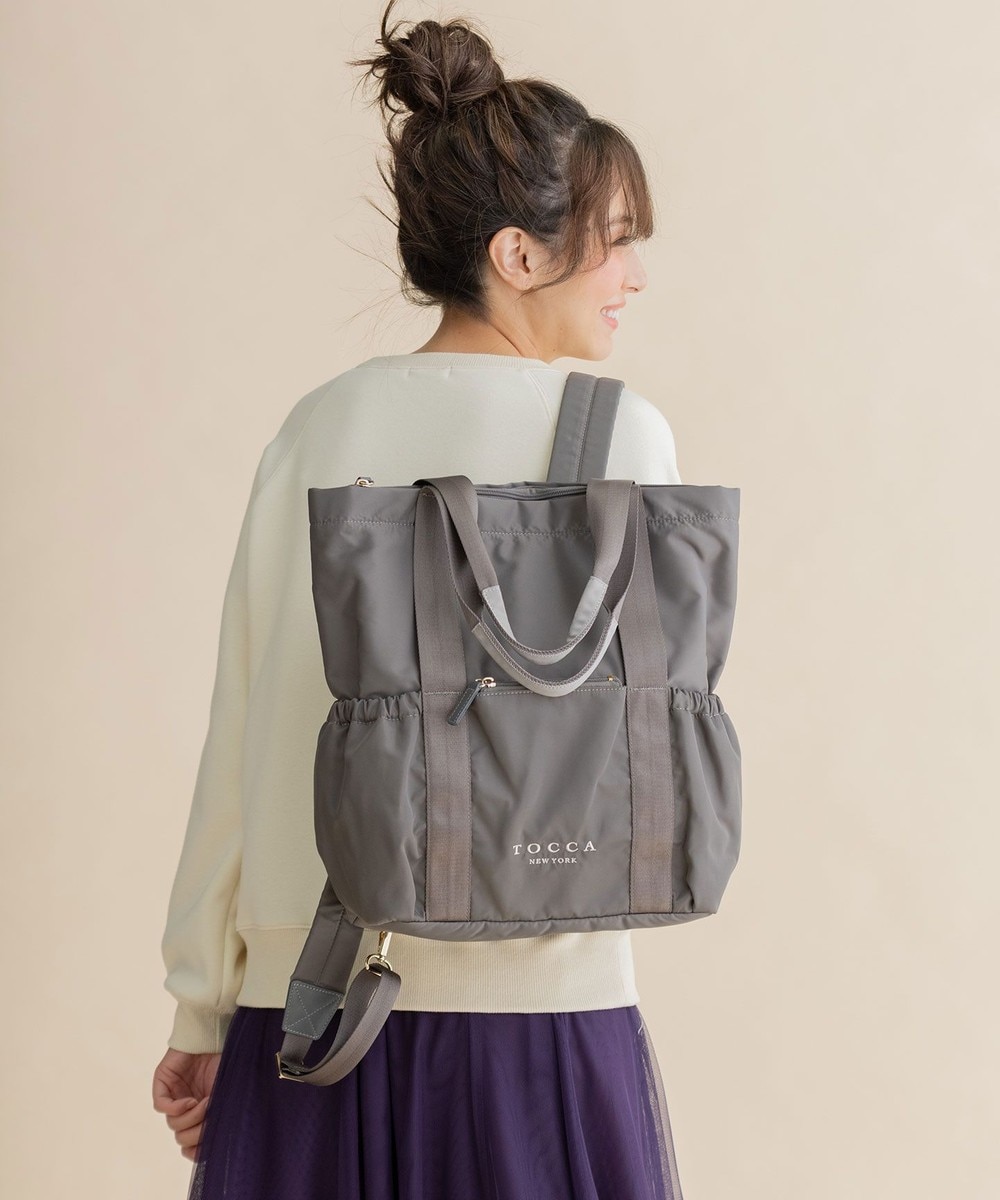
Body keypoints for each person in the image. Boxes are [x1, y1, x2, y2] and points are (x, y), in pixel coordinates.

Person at [152, 2, 687, 1196]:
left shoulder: (318, 428)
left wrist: (201, 1003)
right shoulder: (625, 442)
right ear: (517, 255)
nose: (635, 276)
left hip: (312, 1007)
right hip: (543, 1008)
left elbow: (245, 728)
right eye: (614, 241)